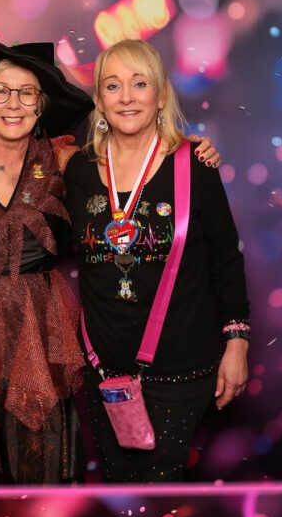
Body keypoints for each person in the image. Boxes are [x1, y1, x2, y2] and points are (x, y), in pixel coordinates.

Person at [0, 26, 220, 485]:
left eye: (27, 93)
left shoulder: (65, 162)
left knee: (40, 473)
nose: (13, 104)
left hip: (39, 339)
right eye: (0, 91)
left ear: (41, 106)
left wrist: (189, 150)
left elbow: (130, 157)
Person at [62, 38, 249, 483]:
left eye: (139, 83)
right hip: (103, 371)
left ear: (161, 95)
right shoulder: (78, 171)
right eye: (112, 86)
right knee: (118, 492)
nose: (126, 97)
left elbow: (225, 257)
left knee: (157, 495)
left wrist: (237, 342)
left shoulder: (195, 165)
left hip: (179, 373)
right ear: (99, 101)